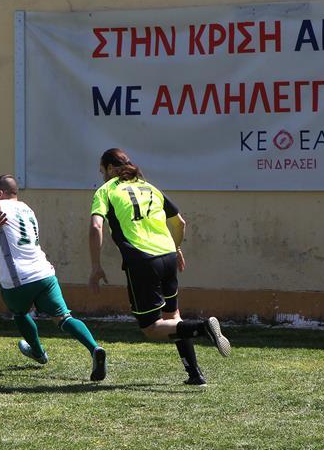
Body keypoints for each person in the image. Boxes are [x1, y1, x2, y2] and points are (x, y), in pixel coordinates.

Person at [88, 148, 230, 386]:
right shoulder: (150, 187)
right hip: (167, 256)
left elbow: (95, 227)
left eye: (102, 171)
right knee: (173, 317)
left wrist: (95, 266)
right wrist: (176, 248)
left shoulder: (106, 191)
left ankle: (202, 328)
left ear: (111, 169)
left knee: (151, 327)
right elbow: (180, 222)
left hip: (143, 260)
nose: (102, 175)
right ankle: (195, 375)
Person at [0, 175, 107, 382]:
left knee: (19, 312)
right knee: (64, 318)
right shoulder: (28, 210)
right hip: (45, 274)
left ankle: (38, 352)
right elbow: (22, 246)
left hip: (18, 279)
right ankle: (94, 348)